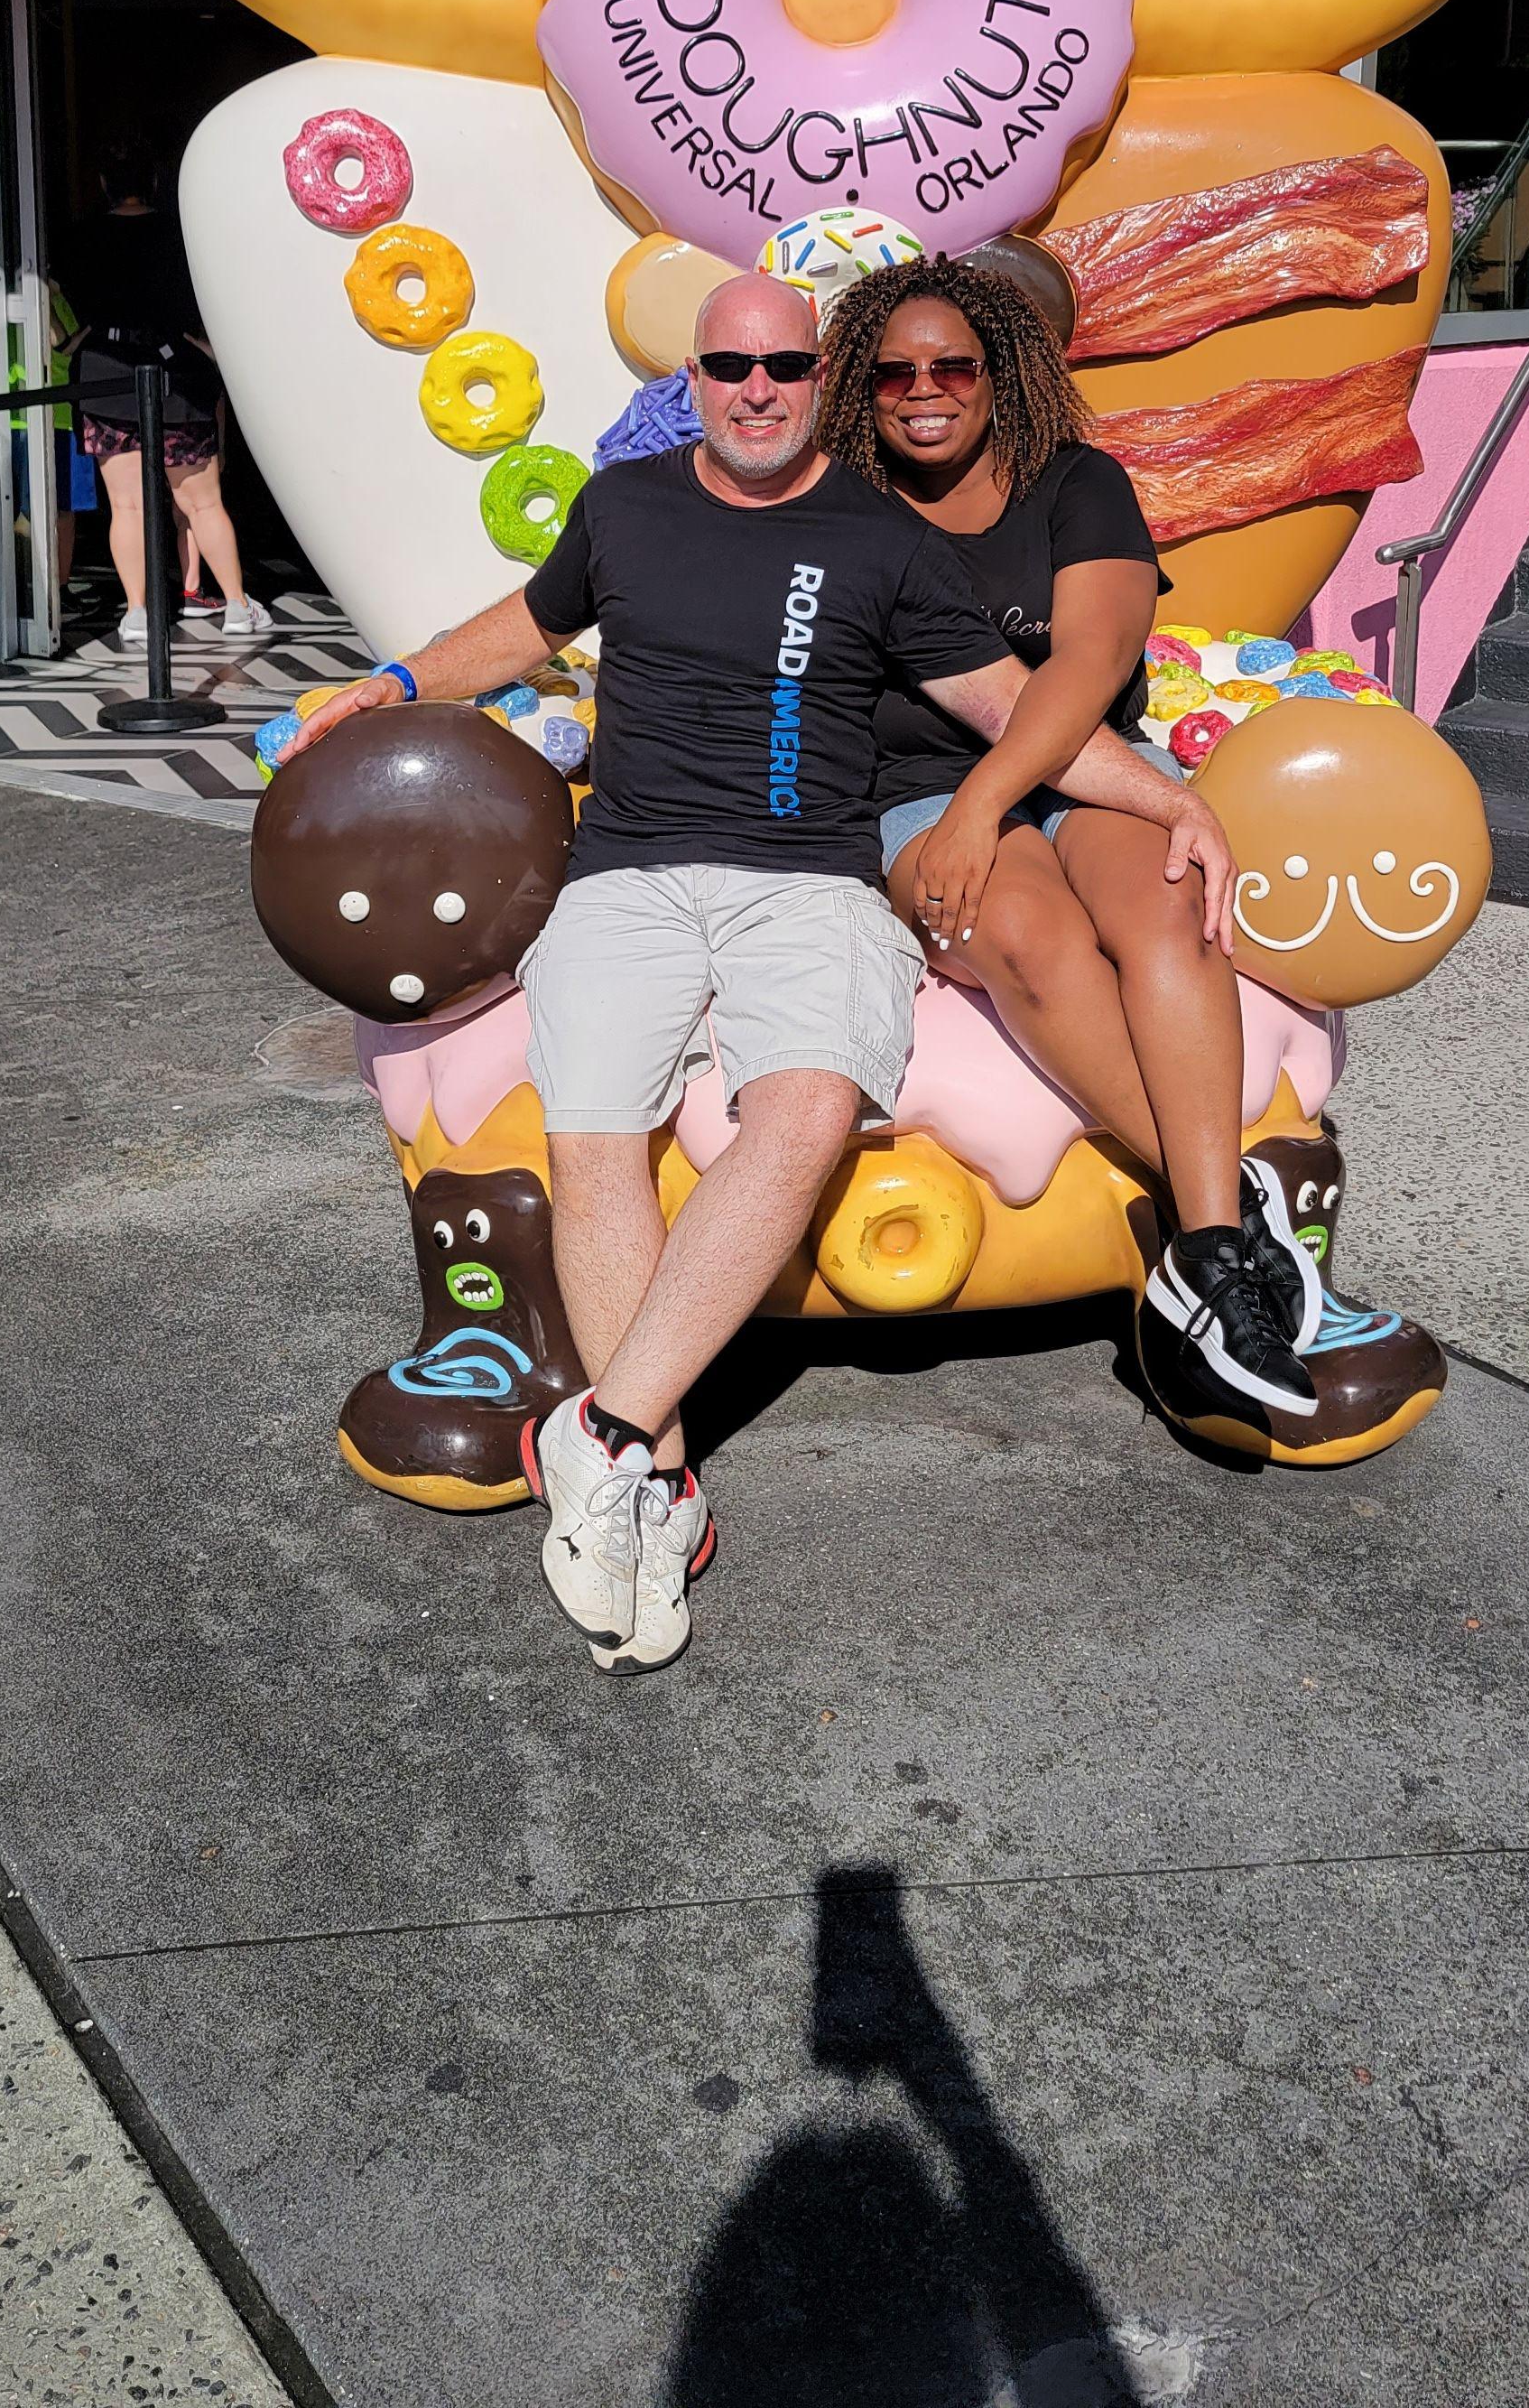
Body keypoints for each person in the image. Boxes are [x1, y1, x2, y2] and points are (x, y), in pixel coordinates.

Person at [288, 272, 1231, 1677]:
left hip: (810, 881)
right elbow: (526, 627)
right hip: (631, 874)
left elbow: (1008, 708)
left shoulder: (878, 533)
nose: (757, 391)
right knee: (594, 1135)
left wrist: (1169, 799)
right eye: (730, 366)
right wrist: (400, 680)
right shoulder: (625, 507)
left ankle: (601, 1433)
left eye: (785, 366)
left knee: (802, 1112)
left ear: (815, 379)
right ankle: (654, 1478)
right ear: (696, 377)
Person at [813, 256, 1328, 1419]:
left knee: (1166, 907)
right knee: (1024, 933)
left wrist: (985, 805)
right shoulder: (842, 508)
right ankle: (1227, 1224)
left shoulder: (1075, 481)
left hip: (1086, 761)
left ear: (1002, 371)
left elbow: (1087, 665)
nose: (924, 390)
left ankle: (1202, 1249)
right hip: (911, 788)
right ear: (860, 386)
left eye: (954, 365)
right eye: (893, 372)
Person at [68, 148, 268, 646]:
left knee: (127, 507)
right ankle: (237, 606)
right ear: (155, 183)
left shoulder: (82, 237)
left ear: (103, 183)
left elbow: (70, 301)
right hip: (175, 371)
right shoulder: (178, 235)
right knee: (203, 504)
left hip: (106, 377)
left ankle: (137, 612)